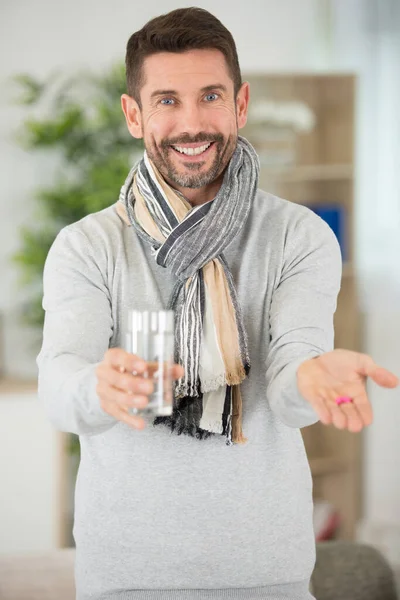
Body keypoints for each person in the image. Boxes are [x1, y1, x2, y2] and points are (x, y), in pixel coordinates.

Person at [37, 7, 398, 600]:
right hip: (125, 577)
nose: (192, 122)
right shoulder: (87, 246)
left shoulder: (300, 237)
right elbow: (59, 383)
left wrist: (311, 377)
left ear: (241, 104)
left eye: (210, 96)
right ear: (134, 114)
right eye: (167, 100)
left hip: (268, 574)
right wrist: (95, 389)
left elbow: (288, 382)